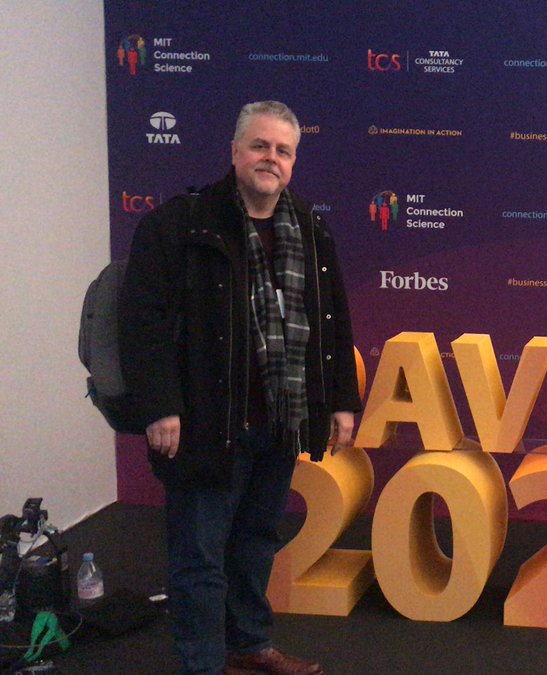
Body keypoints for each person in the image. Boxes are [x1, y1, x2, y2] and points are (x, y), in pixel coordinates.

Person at [120, 101, 361, 675]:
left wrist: (341, 400)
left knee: (255, 541)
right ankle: (204, 663)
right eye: (259, 145)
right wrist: (161, 406)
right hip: (204, 423)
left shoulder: (309, 227)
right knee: (200, 556)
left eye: (283, 150)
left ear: (293, 162)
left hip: (279, 420)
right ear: (234, 152)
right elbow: (141, 324)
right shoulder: (179, 226)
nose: (270, 158)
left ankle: (248, 644)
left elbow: (332, 319)